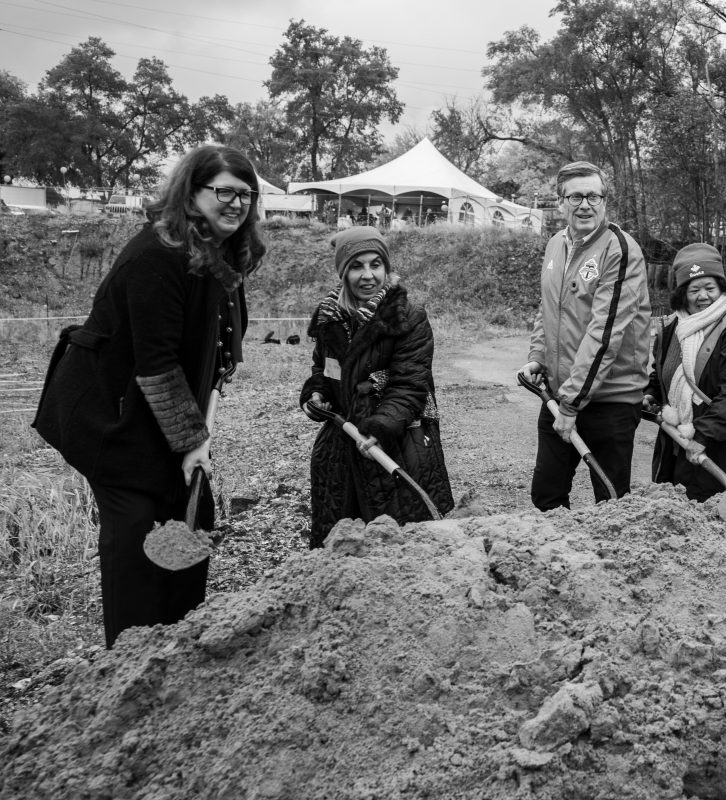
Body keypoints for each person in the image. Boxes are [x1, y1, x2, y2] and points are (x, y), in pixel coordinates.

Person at [32, 145, 265, 648]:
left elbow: (219, 348)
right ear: (192, 193)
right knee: (136, 531)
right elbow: (157, 365)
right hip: (111, 419)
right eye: (225, 192)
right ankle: (130, 658)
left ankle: (178, 644)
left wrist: (201, 425)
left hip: (161, 413)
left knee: (193, 515)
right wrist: (192, 442)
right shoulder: (157, 255)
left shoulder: (220, 255)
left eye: (247, 194)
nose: (238, 204)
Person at [300, 227, 453, 547]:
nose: (368, 275)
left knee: (399, 545)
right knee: (342, 547)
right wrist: (317, 393)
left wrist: (380, 427)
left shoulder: (407, 317)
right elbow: (323, 369)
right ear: (343, 272)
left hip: (397, 443)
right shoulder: (330, 318)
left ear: (386, 267)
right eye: (357, 266)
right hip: (342, 448)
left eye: (375, 264)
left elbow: (410, 384)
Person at [520, 161, 651, 510]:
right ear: (560, 202)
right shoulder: (555, 245)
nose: (585, 205)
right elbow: (549, 308)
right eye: (575, 197)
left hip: (610, 400)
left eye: (594, 196)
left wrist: (571, 403)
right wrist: (538, 357)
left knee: (611, 505)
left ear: (604, 201)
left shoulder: (619, 249)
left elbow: (605, 334)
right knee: (546, 496)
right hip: (560, 393)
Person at [644, 243, 726, 501]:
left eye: (710, 288)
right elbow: (664, 371)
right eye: (694, 290)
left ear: (722, 288)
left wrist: (703, 435)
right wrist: (651, 393)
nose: (703, 296)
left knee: (720, 516)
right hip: (677, 447)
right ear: (682, 293)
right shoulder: (673, 326)